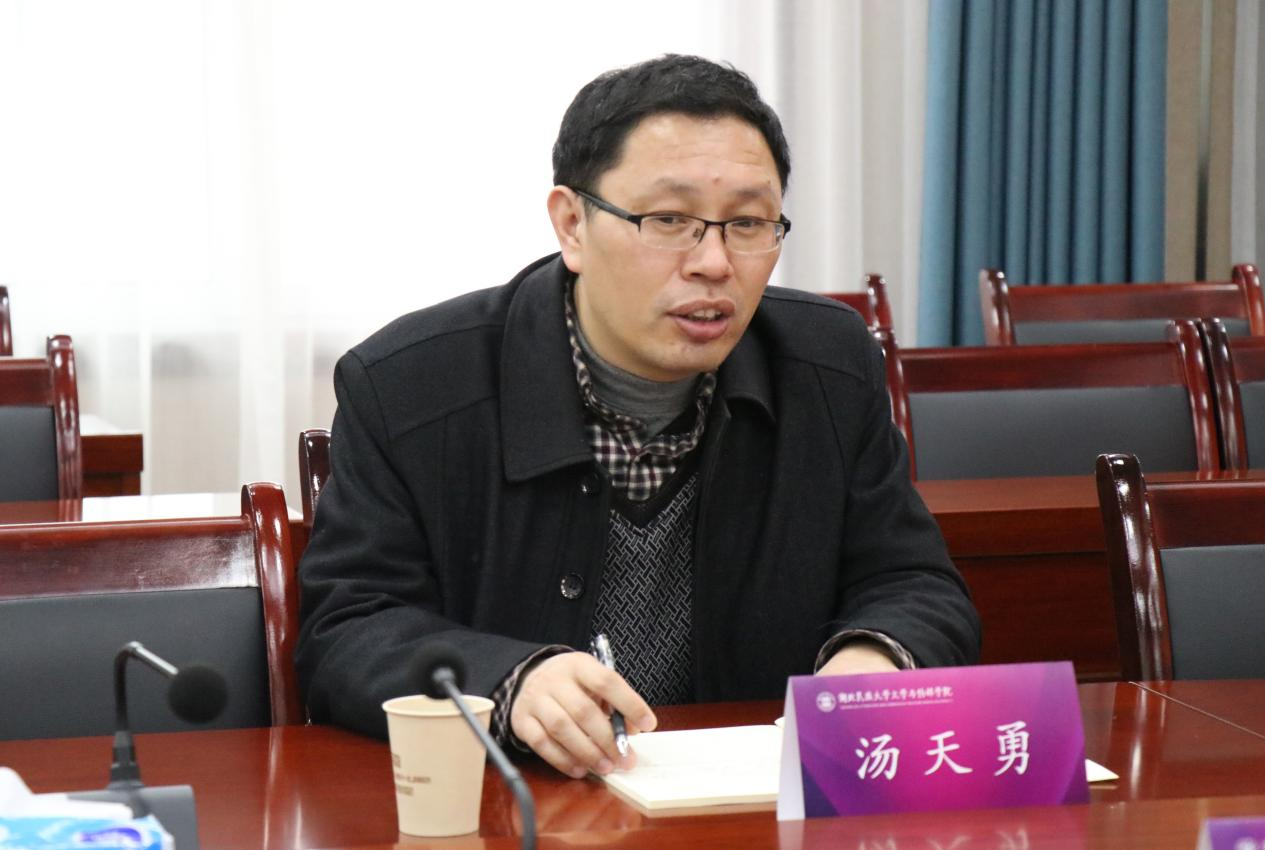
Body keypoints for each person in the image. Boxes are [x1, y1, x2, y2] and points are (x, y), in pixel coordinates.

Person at [295, 54, 980, 780]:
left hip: (750, 807)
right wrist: (509, 680)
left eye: (749, 222)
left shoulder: (829, 367)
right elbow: (349, 627)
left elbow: (915, 583)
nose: (714, 262)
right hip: (518, 805)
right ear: (572, 225)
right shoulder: (411, 386)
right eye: (670, 220)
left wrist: (872, 659)